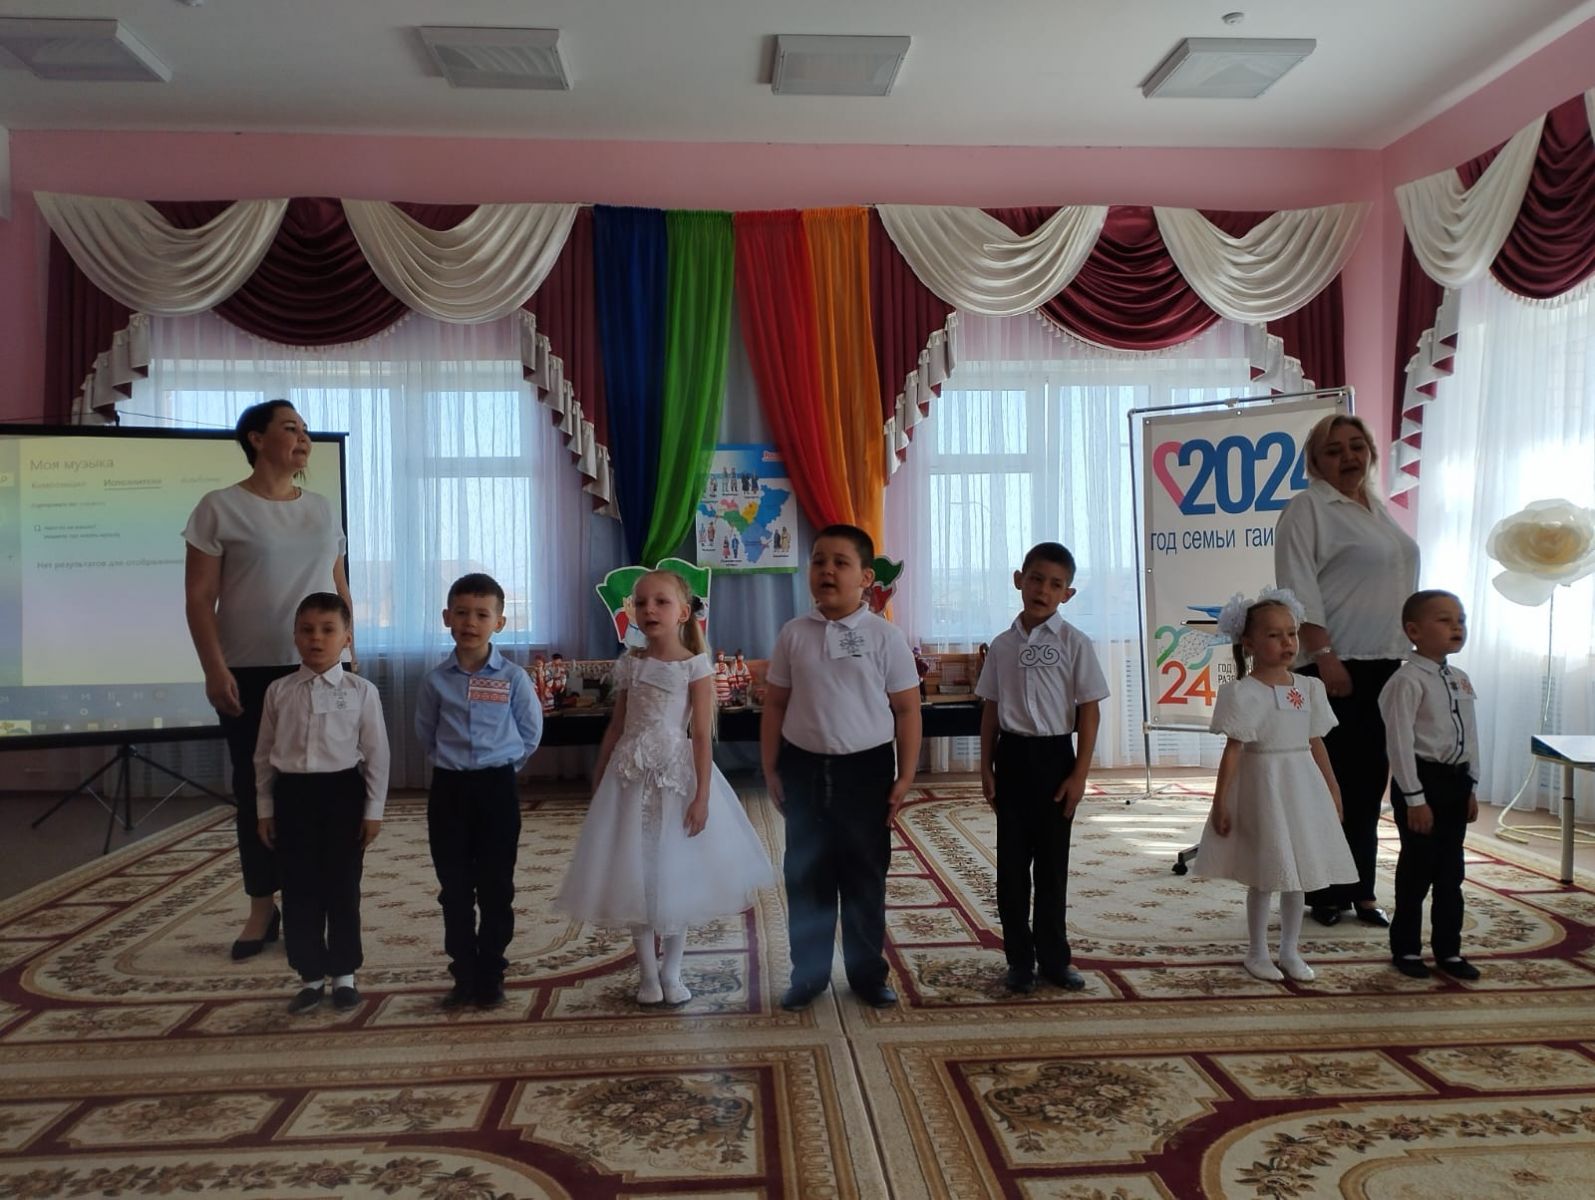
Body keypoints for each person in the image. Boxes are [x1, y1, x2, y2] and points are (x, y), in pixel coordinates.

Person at [183, 399, 354, 961]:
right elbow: (198, 598)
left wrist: (349, 654)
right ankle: (262, 905)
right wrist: (214, 667)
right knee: (256, 788)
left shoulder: (322, 509)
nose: (303, 437)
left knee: (322, 790)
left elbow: (338, 587)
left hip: (320, 668)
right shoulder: (219, 507)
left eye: (305, 429)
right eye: (289, 428)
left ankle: (315, 903)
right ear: (256, 439)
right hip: (249, 671)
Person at [556, 570, 773, 1007]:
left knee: (674, 873)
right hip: (629, 777)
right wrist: (599, 775)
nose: (649, 610)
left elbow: (700, 736)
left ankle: (672, 972)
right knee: (634, 872)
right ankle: (648, 975)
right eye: (641, 603)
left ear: (683, 612)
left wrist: (702, 796)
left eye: (661, 602)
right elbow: (617, 727)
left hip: (675, 778)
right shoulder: (631, 663)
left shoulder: (695, 666)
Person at [761, 524, 923, 1011]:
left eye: (840, 562)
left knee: (864, 876)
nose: (827, 571)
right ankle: (808, 975)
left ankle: (867, 974)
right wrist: (770, 768)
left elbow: (907, 710)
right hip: (804, 769)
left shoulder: (885, 637)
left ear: (866, 578)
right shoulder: (794, 634)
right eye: (818, 561)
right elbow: (775, 705)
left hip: (866, 773)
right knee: (807, 875)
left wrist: (905, 775)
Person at [1275, 413, 1419, 929]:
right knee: (1332, 782)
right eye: (1334, 450)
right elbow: (1297, 586)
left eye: (1357, 446)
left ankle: (1361, 889)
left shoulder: (1377, 509)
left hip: (1386, 662)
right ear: (1315, 462)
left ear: (1371, 453)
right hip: (1336, 663)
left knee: (1369, 782)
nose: (1348, 457)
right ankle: (1324, 892)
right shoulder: (1308, 508)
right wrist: (1325, 653)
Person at [1193, 589, 1355, 983]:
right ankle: (1257, 951)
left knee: (1299, 870)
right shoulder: (1242, 692)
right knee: (1267, 871)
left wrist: (1333, 789)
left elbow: (1316, 742)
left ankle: (1290, 950)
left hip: (1302, 787)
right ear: (1248, 643)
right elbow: (1233, 751)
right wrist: (1220, 803)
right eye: (1273, 635)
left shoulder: (1309, 688)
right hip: (1264, 787)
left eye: (1291, 633)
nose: (1287, 642)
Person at [976, 542, 1109, 994]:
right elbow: (991, 710)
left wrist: (1079, 774)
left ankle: (1054, 959)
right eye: (1035, 579)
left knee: (1052, 867)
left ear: (1067, 594)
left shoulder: (1075, 643)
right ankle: (1019, 960)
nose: (1043, 590)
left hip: (1056, 759)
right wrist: (985, 767)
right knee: (1012, 868)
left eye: (1055, 584)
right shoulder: (1002, 646)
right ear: (1019, 580)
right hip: (1013, 758)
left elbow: (1089, 710)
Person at [254, 593, 388, 1015]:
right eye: (307, 630)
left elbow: (377, 755)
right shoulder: (278, 692)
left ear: (347, 638)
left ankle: (344, 973)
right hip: (293, 798)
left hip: (342, 795)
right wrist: (264, 808)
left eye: (328, 630)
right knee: (298, 889)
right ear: (294, 636)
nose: (316, 638)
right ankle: (310, 975)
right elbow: (263, 755)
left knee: (342, 887)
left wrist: (373, 811)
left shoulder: (362, 691)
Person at [415, 573, 544, 1010]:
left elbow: (530, 732)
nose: (471, 622)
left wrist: (502, 767)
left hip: (496, 790)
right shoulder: (435, 681)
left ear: (499, 623)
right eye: (462, 613)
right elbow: (426, 733)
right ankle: (463, 974)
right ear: (447, 618)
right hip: (449, 791)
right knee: (453, 887)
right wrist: (455, 765)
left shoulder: (513, 678)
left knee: (495, 886)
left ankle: (491, 973)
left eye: (482, 614)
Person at [1379, 590, 1482, 981]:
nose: (1457, 627)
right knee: (1417, 869)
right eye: (1444, 619)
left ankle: (1449, 951)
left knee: (1451, 871)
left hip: (1456, 783)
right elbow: (1399, 743)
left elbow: (1471, 734)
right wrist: (1414, 798)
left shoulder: (1460, 679)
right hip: (1422, 782)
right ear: (1414, 631)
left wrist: (1472, 785)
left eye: (1461, 619)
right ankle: (1406, 948)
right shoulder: (1406, 681)